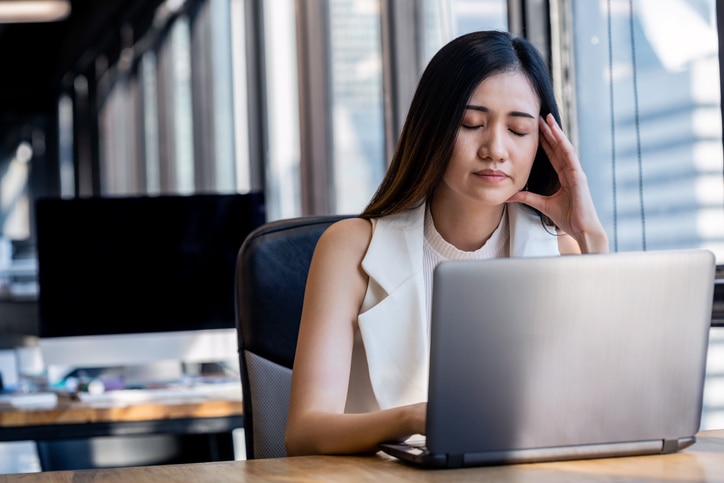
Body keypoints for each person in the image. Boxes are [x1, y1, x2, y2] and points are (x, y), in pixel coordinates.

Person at [285, 30, 608, 456]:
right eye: (472, 124)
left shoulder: (563, 252)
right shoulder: (350, 249)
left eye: (518, 130)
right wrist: (412, 418)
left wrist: (591, 236)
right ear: (433, 128)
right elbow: (304, 432)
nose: (495, 149)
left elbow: (605, 407)